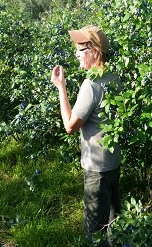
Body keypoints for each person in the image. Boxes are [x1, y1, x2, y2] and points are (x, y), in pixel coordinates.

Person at [51, 25, 122, 246]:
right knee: (114, 227)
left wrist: (61, 88)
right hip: (113, 163)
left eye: (80, 49)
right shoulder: (114, 78)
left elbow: (70, 127)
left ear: (94, 51)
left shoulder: (91, 85)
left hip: (97, 171)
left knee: (95, 232)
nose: (76, 54)